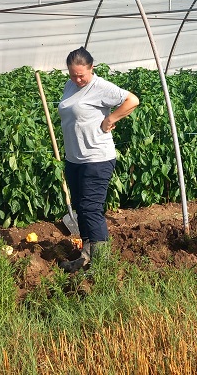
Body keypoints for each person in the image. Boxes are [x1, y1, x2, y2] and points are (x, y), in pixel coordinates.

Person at [57, 47, 139, 272]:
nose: (77, 79)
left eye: (81, 74)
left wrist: (111, 119)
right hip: (74, 159)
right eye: (73, 74)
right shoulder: (70, 85)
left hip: (97, 158)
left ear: (91, 68)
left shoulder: (100, 86)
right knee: (80, 208)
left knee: (91, 208)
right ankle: (85, 256)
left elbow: (132, 100)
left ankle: (102, 264)